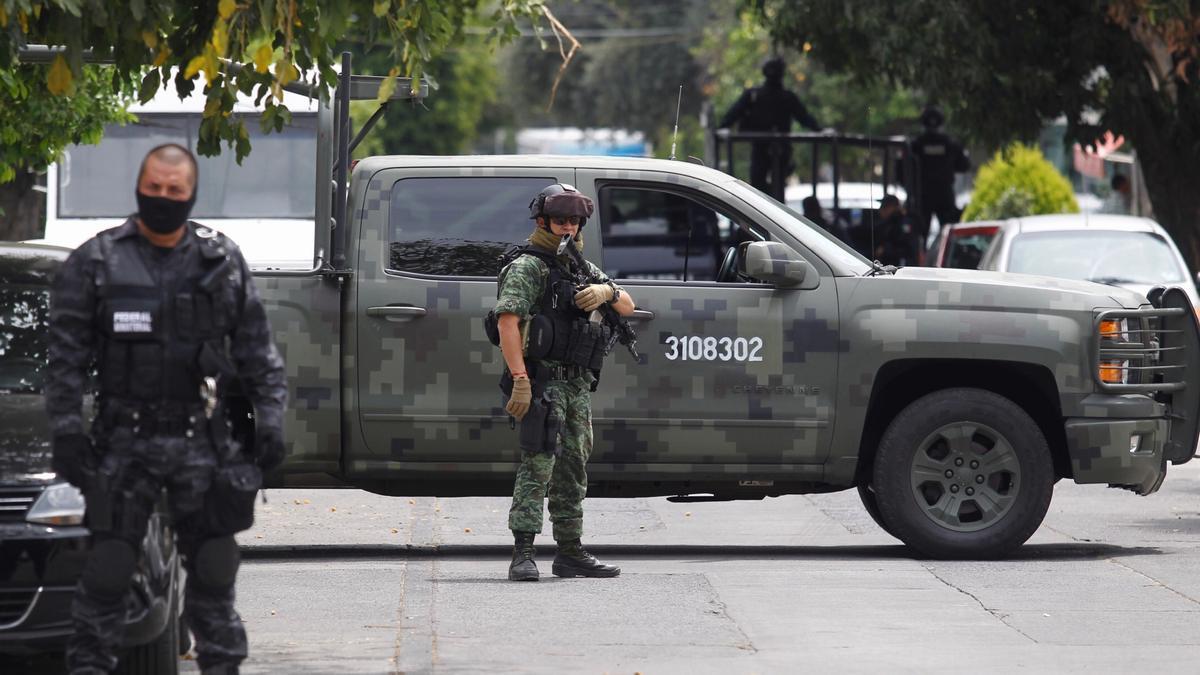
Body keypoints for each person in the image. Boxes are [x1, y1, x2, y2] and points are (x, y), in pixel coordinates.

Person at [46, 143, 288, 674]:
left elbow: (258, 355)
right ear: (138, 186)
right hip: (121, 444)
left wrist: (271, 421)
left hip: (201, 442)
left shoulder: (220, 261)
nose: (162, 198)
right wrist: (67, 432)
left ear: (192, 194)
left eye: (174, 191)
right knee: (108, 573)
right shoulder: (97, 261)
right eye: (154, 188)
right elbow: (64, 358)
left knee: (214, 573)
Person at [494, 183, 636, 582]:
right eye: (560, 221)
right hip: (541, 383)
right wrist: (520, 380)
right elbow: (508, 323)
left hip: (575, 386)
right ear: (542, 221)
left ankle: (569, 552)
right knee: (537, 466)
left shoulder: (577, 266)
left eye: (574, 221)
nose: (567, 228)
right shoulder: (529, 266)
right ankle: (523, 553)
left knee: (573, 468)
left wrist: (606, 291)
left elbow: (628, 304)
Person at [719, 57, 823, 201]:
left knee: (773, 186)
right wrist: (723, 127)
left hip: (779, 149)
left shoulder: (784, 97)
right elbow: (734, 113)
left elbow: (804, 117)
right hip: (762, 148)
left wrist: (820, 130)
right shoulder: (756, 95)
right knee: (760, 186)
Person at [909, 104, 970, 248]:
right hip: (944, 195)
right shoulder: (950, 144)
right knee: (949, 235)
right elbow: (964, 165)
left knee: (920, 237)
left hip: (922, 196)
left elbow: (902, 171)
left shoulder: (916, 145)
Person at [872, 194, 918, 267]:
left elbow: (908, 250)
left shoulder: (904, 224)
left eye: (885, 207)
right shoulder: (888, 223)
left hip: (901, 267)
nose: (881, 210)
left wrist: (885, 250)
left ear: (893, 207)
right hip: (889, 265)